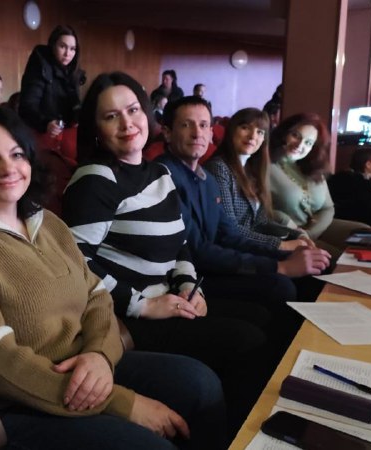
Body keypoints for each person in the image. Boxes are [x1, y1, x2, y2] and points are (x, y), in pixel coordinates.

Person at [0, 105, 227, 450]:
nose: (8, 169)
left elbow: (96, 296)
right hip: (24, 401)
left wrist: (99, 355)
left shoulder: (46, 222)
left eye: (17, 154)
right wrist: (121, 402)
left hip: (90, 365)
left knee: (201, 385)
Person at [61, 72, 274, 440]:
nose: (127, 123)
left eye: (133, 111)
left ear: (147, 114)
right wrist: (142, 305)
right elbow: (74, 264)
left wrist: (190, 285)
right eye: (111, 116)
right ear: (96, 129)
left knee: (262, 318)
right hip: (124, 317)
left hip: (169, 297)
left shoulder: (158, 171)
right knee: (248, 341)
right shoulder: (95, 178)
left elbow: (180, 243)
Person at [155, 99, 329, 303]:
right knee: (281, 286)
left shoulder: (205, 179)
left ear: (210, 133)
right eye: (186, 125)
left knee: (314, 268)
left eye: (203, 125)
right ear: (167, 132)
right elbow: (197, 250)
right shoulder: (164, 176)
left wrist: (285, 253)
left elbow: (230, 234)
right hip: (187, 276)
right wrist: (279, 265)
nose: (197, 133)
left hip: (214, 261)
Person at [205, 108, 311, 250]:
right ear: (231, 131)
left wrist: (297, 235)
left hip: (253, 246)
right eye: (245, 128)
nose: (252, 136)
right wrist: (282, 245)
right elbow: (229, 230)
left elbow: (260, 223)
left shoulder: (252, 168)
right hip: (233, 251)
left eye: (260, 132)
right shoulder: (218, 168)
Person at [268, 113, 368, 254]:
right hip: (286, 232)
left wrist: (311, 234)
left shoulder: (313, 167)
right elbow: (259, 208)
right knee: (338, 257)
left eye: (308, 143)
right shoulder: (265, 165)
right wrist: (294, 229)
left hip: (315, 230)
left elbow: (328, 208)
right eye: (296, 136)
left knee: (365, 235)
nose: (300, 145)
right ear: (284, 133)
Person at [19, 25, 84, 138]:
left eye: (72, 49)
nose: (67, 54)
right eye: (62, 46)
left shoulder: (73, 72)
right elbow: (27, 106)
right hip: (40, 135)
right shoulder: (39, 66)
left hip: (64, 135)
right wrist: (46, 123)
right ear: (53, 45)